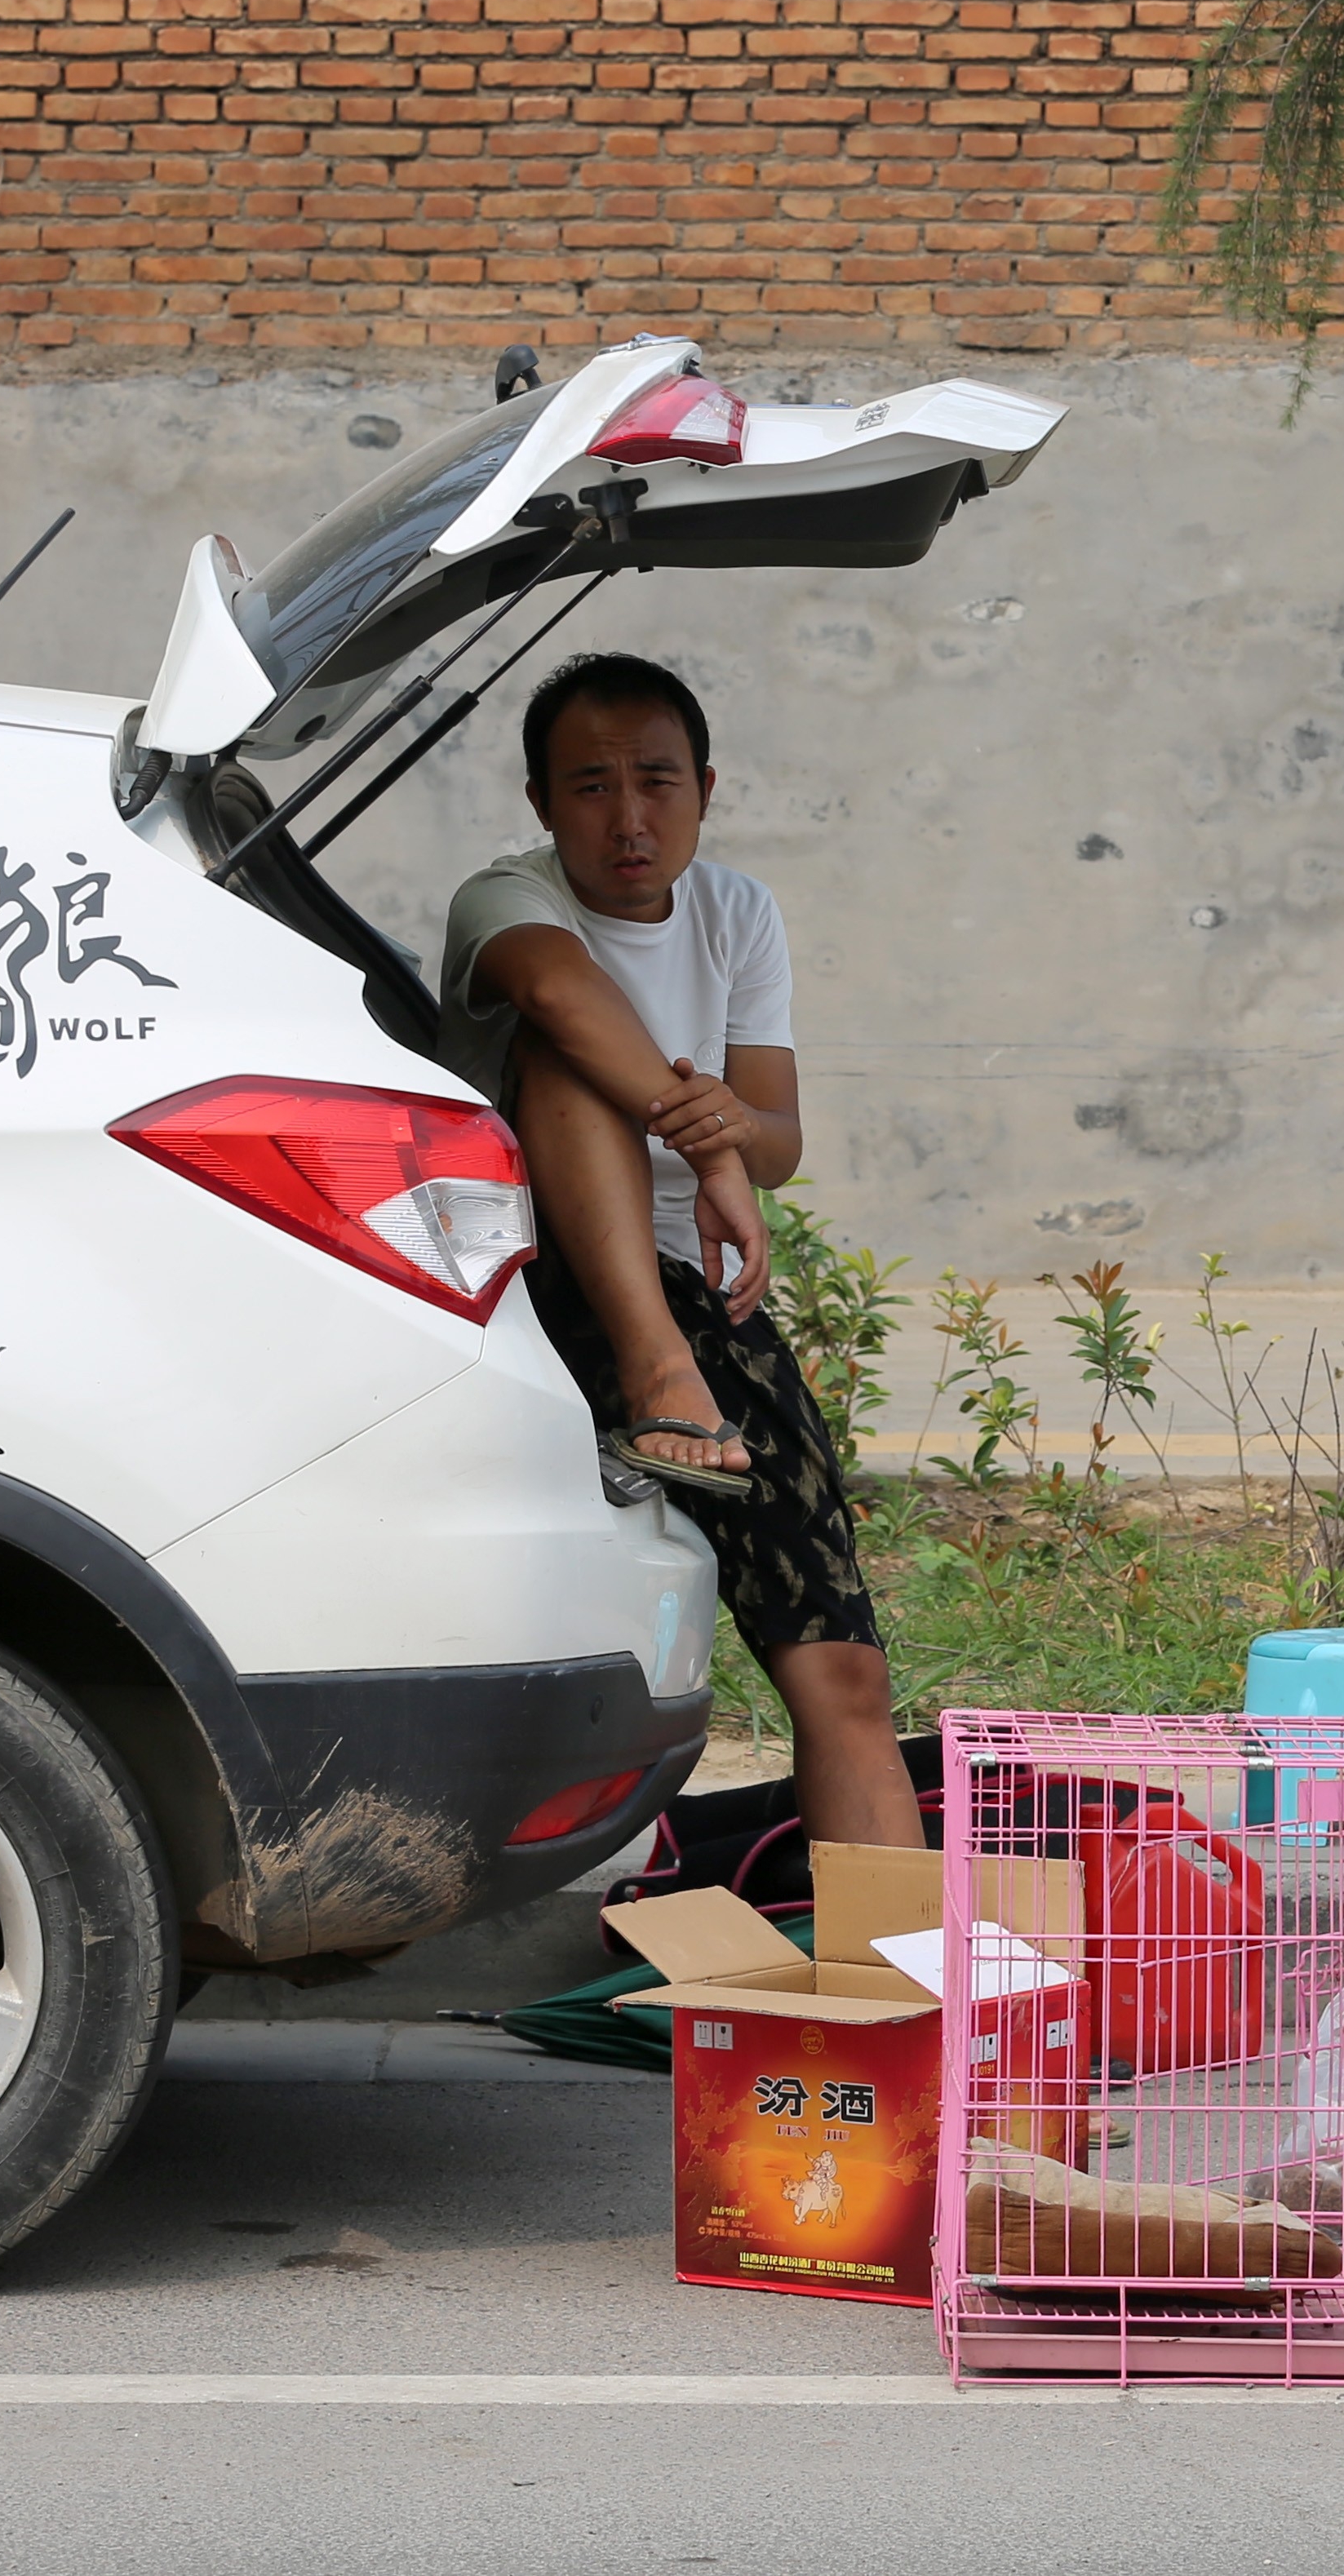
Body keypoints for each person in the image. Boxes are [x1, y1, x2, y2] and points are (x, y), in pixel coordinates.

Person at [437, 652, 917, 1851]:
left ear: (706, 787)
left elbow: (780, 1136)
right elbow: (554, 994)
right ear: (543, 804)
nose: (629, 817)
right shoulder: (505, 899)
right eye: (590, 786)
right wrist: (710, 1148)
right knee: (567, 1049)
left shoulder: (738, 913)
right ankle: (656, 1371)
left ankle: (902, 1992)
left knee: (843, 1671)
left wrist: (728, 1138)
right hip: (525, 1279)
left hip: (697, 1294)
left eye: (656, 780)